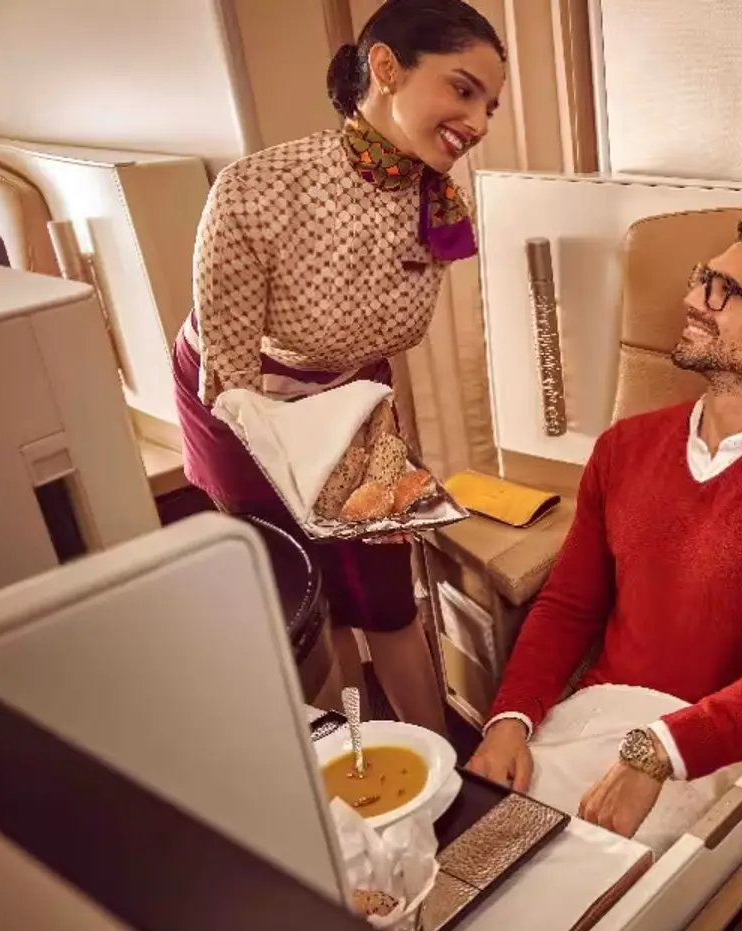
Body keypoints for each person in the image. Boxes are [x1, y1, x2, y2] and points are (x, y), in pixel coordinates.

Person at [466, 211, 742, 849]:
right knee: (453, 866)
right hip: (589, 720)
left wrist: (663, 749)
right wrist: (510, 719)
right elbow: (569, 605)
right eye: (702, 279)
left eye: (723, 291)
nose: (693, 299)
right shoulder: (624, 448)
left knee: (575, 917)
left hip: (712, 751)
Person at [172, 0, 508, 738]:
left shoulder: (438, 200)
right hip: (244, 400)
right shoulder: (256, 188)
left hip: (350, 392)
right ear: (386, 69)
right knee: (304, 588)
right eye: (462, 90)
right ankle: (350, 751)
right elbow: (231, 379)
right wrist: (312, 484)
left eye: (490, 104)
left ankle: (439, 760)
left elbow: (384, 338)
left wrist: (353, 450)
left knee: (384, 590)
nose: (480, 121)